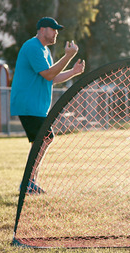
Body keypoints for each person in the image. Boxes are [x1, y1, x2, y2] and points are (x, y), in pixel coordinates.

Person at [11, 17, 85, 194]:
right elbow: (49, 74)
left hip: (37, 105)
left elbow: (53, 78)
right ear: (43, 30)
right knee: (46, 137)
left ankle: (30, 182)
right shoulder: (32, 47)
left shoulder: (44, 51)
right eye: (53, 29)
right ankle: (28, 183)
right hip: (28, 104)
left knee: (41, 140)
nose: (56, 33)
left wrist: (73, 72)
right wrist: (68, 56)